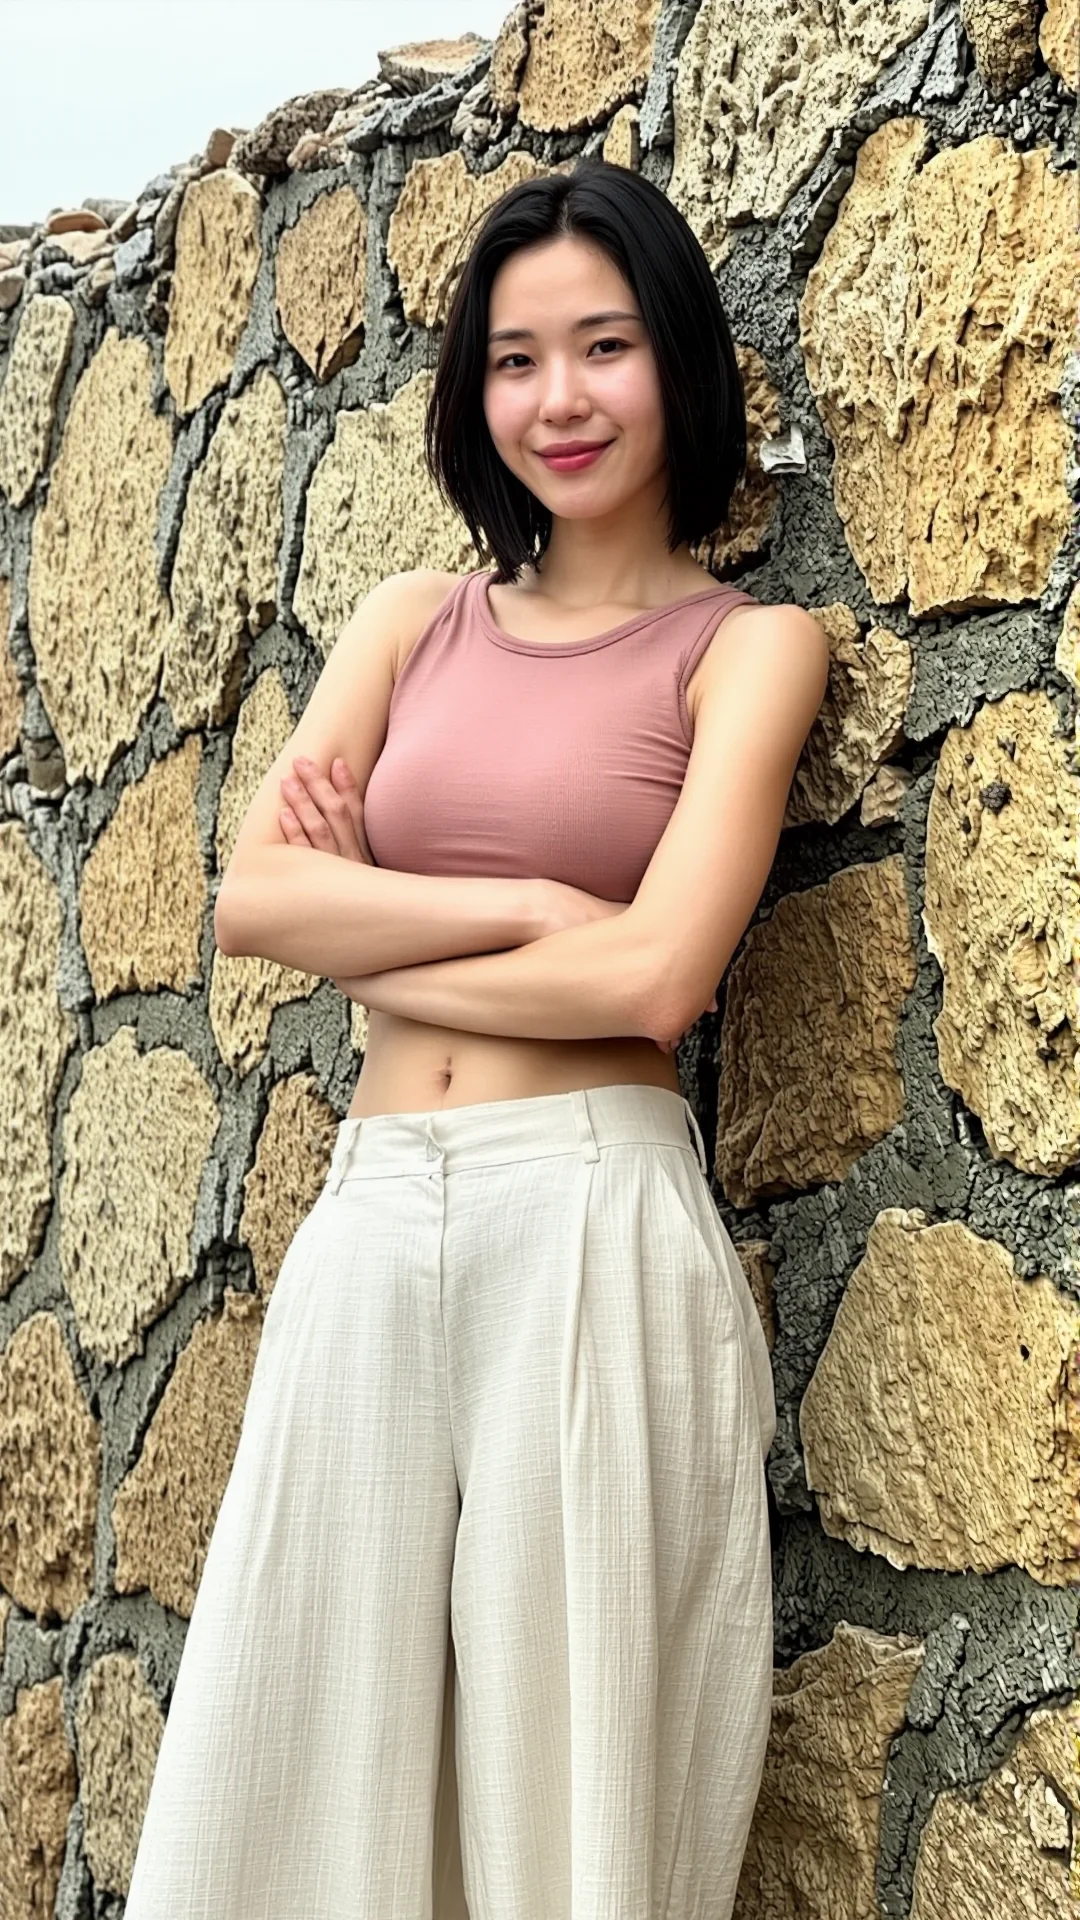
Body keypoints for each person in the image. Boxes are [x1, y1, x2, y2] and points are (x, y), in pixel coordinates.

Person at [123, 157, 829, 1920]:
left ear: (677, 359)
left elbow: (659, 980)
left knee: (569, 1799)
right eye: (515, 358)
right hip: (372, 1221)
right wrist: (521, 914)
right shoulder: (410, 624)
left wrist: (384, 933)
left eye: (602, 347)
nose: (559, 399)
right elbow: (253, 904)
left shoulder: (747, 652)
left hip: (588, 1223)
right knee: (282, 1778)